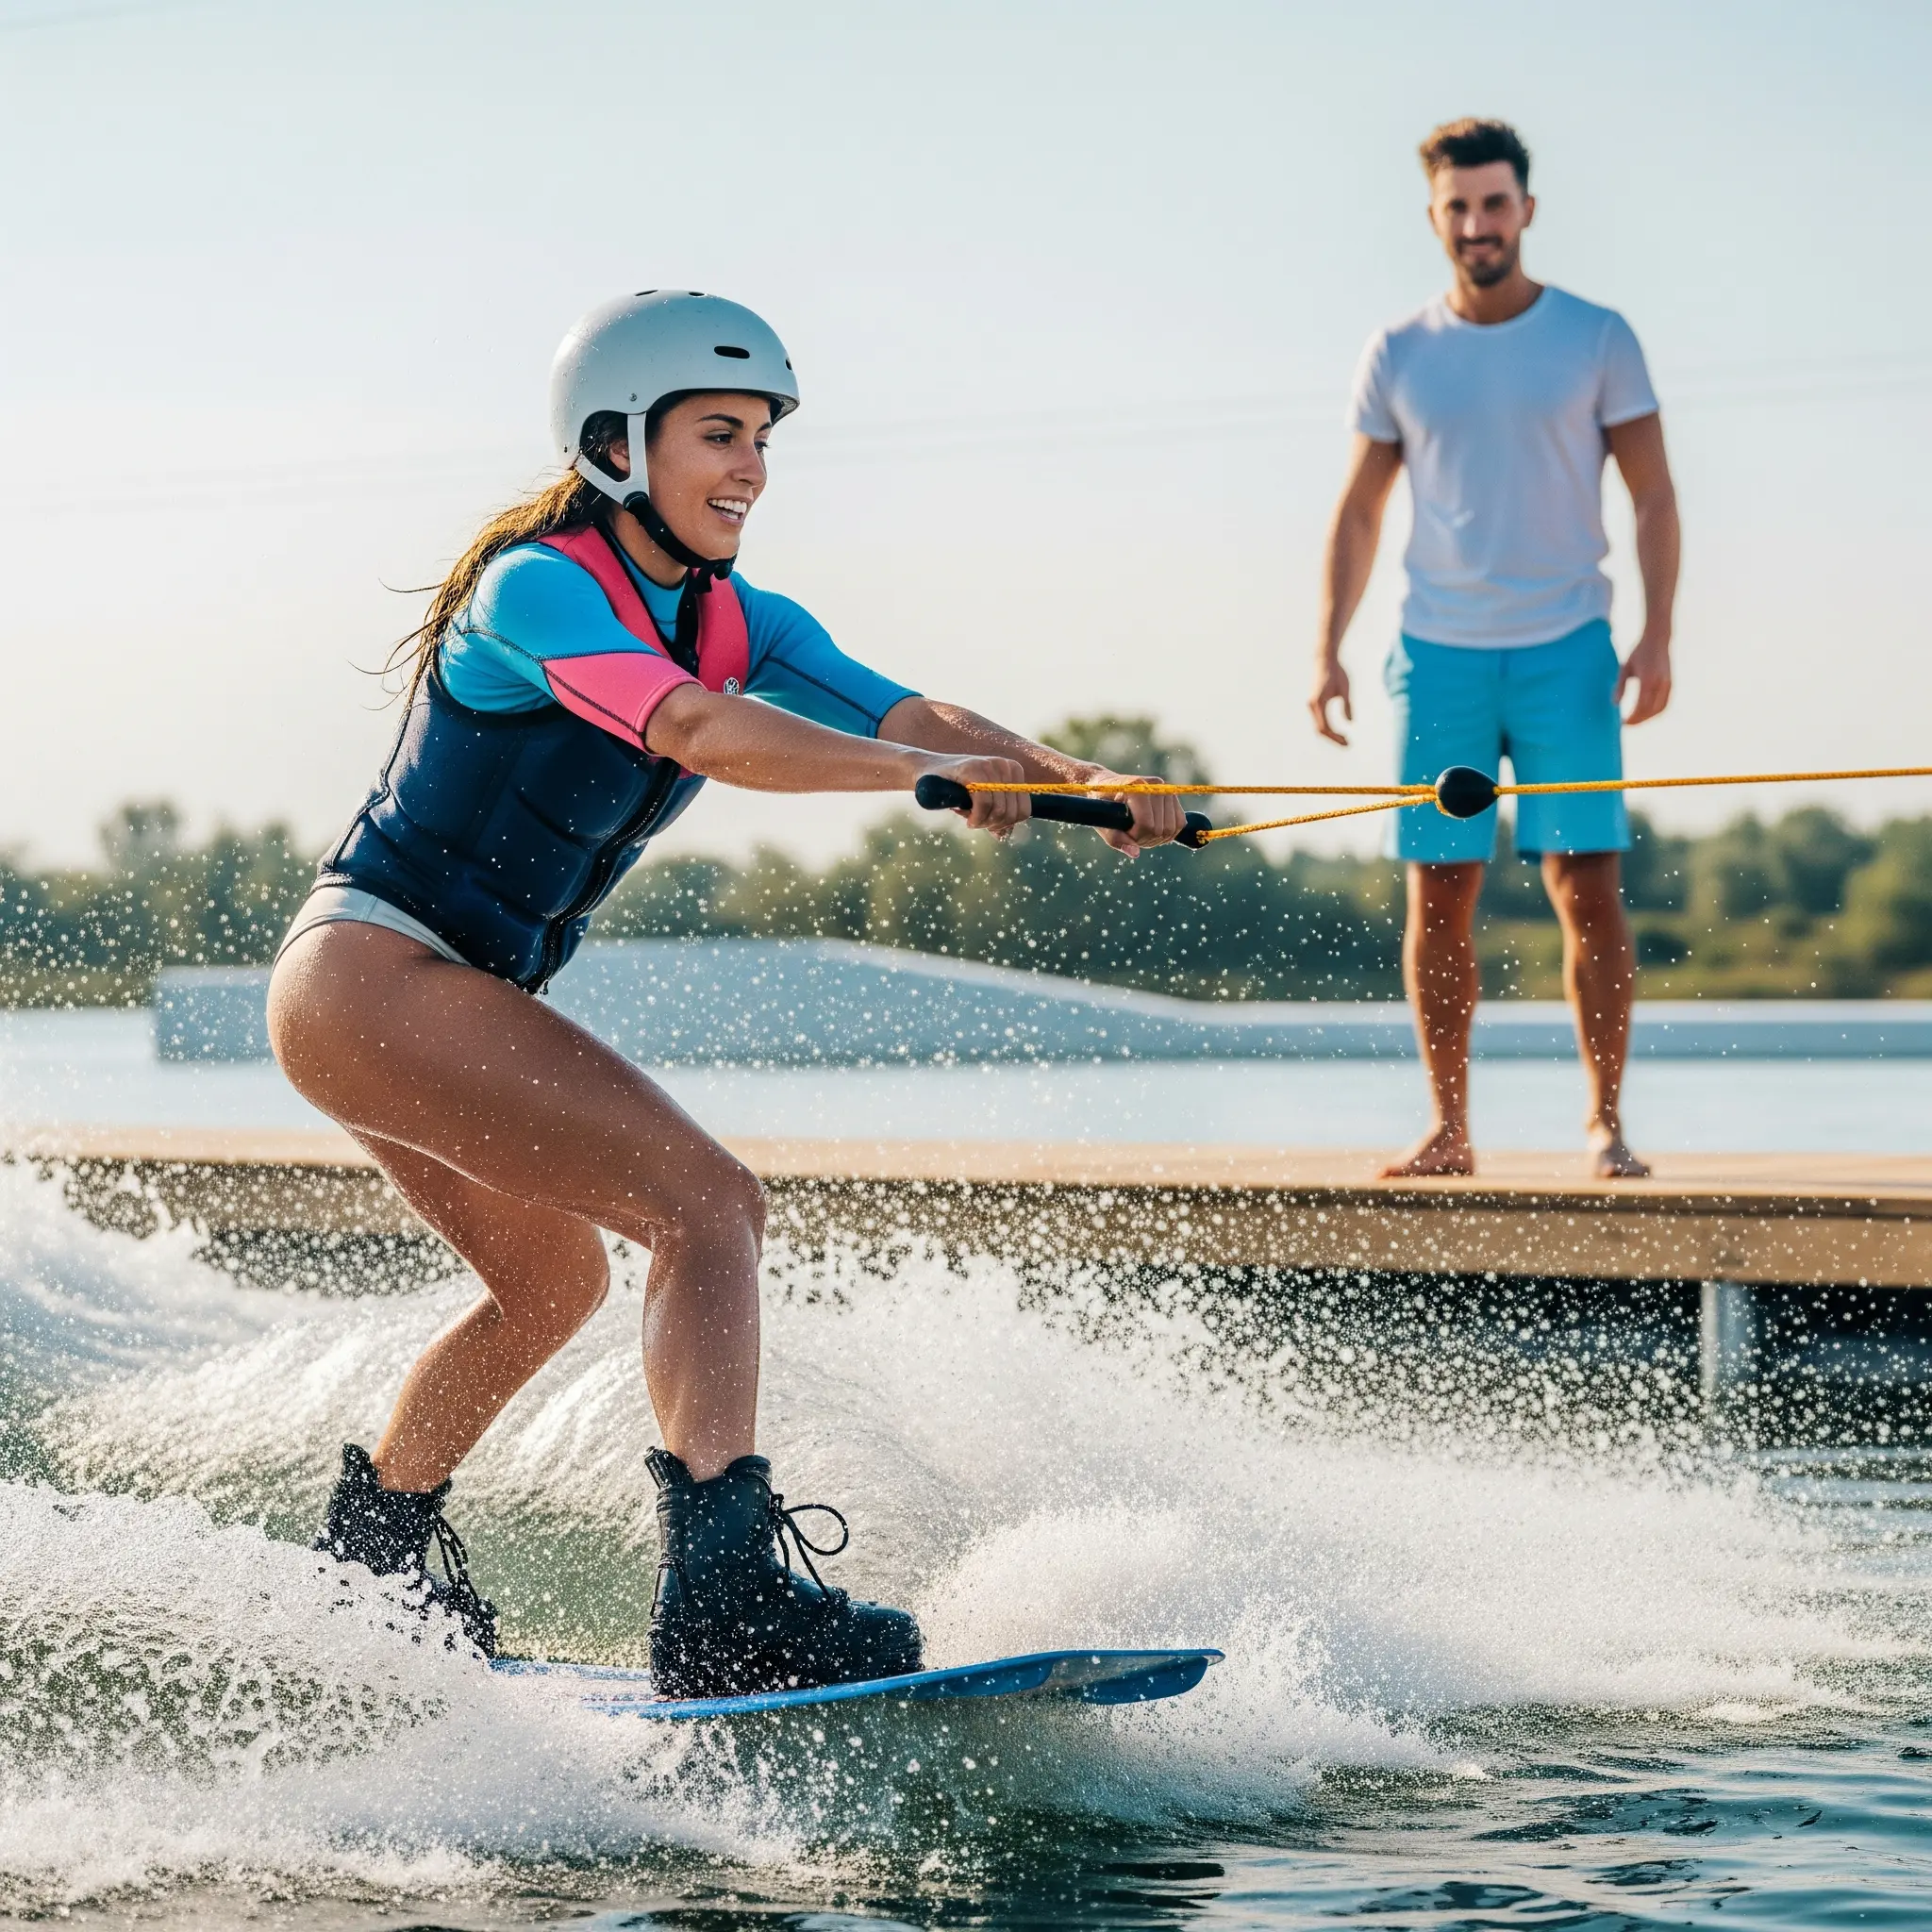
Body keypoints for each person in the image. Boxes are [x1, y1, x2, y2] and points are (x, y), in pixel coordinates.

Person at [268, 290, 1185, 1695]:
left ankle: (369, 1566)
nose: (750, 466)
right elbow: (700, 730)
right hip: (374, 976)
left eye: (761, 436)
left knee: (551, 1278)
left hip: (410, 999)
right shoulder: (539, 587)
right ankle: (722, 1606)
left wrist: (1076, 781)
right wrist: (929, 786)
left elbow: (906, 714)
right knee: (709, 1204)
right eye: (717, 433)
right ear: (617, 447)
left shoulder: (741, 616)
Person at [1307, 118, 1680, 1180]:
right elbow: (1356, 514)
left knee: (1586, 883)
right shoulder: (1398, 351)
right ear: (1434, 218)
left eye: (1493, 202)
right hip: (1438, 656)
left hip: (1567, 648)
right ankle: (1448, 1127)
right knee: (1438, 893)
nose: (1477, 223)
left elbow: (1652, 492)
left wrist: (1657, 629)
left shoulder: (1595, 336)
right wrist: (1325, 649)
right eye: (1457, 207)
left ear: (1524, 207)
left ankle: (1603, 1122)